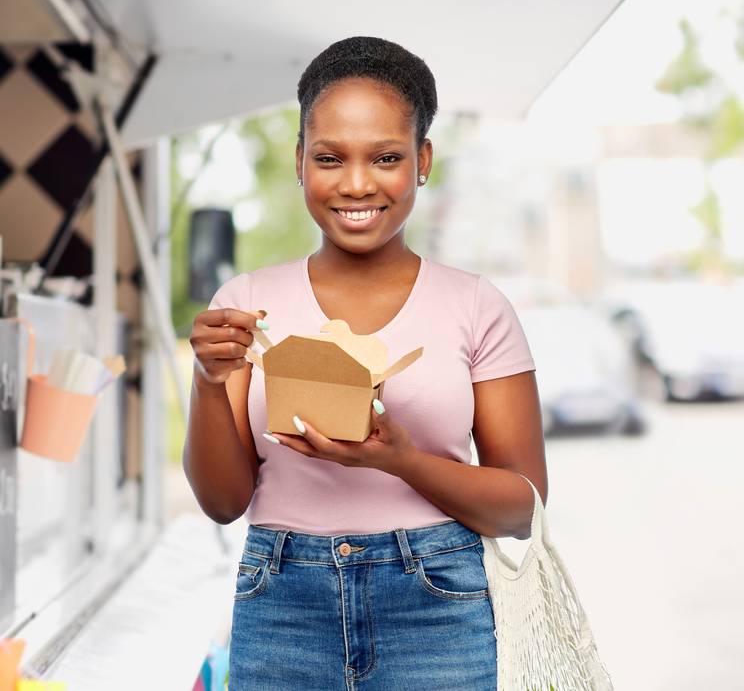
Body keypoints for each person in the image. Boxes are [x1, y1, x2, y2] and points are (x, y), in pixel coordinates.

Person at [184, 36, 547, 690]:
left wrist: (399, 459)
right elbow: (222, 501)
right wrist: (210, 384)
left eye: (386, 157)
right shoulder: (245, 304)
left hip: (437, 602)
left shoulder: (477, 306)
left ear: (422, 159)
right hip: (282, 601)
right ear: (299, 161)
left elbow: (522, 504)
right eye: (329, 157)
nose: (356, 183)